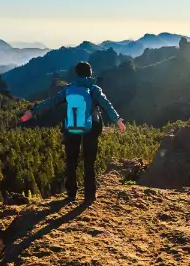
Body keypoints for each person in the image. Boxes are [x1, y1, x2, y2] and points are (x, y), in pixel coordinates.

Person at [18, 62, 125, 202]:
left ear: (77, 74)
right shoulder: (94, 89)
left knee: (71, 161)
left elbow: (51, 102)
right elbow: (107, 105)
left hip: (71, 128)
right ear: (90, 73)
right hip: (91, 128)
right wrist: (117, 120)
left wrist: (32, 112)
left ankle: (71, 194)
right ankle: (89, 196)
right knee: (89, 163)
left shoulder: (68, 89)